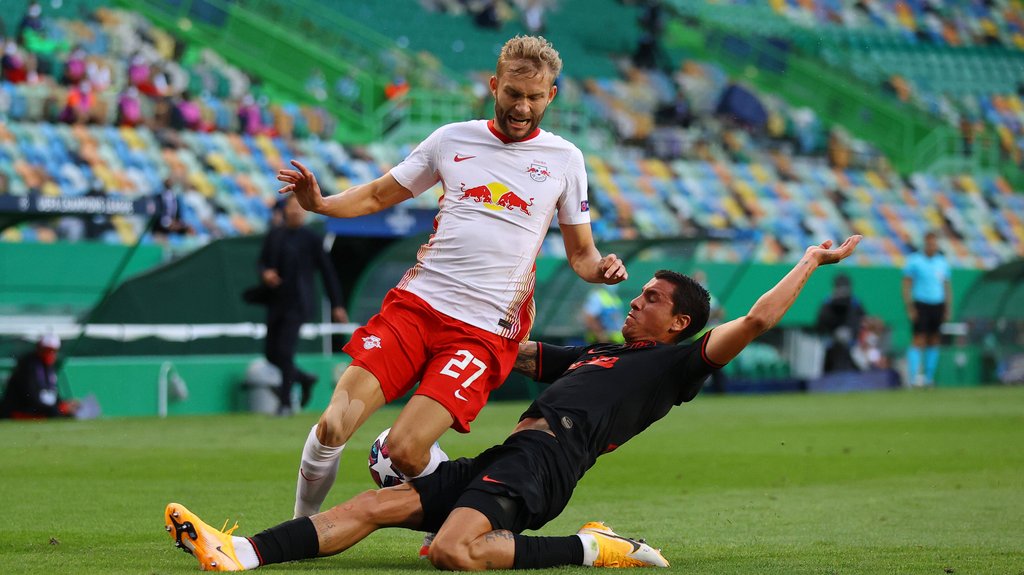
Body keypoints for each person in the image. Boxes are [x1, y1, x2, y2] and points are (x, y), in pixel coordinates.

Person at [164, 235, 862, 572]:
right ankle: (240, 552)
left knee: (450, 551)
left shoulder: (678, 364)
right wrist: (451, 320)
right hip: (511, 453)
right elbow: (515, 351)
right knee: (374, 502)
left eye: (650, 298)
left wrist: (808, 260)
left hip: (544, 468)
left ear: (679, 322)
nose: (635, 300)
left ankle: (591, 547)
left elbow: (758, 320)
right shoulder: (596, 353)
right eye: (639, 291)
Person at [276, 35, 627, 522]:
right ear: (494, 86)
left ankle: (452, 514)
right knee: (334, 423)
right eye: (512, 94)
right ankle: (298, 530)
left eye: (534, 97)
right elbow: (378, 195)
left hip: (484, 328)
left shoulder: (565, 159)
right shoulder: (451, 139)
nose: (522, 107)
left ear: (551, 95)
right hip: (416, 306)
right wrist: (320, 204)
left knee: (404, 451)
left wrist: (601, 269)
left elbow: (582, 254)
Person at [258, 194, 348, 415]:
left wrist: (337, 304)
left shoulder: (312, 239)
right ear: (285, 209)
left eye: (300, 206)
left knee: (285, 351)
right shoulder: (275, 235)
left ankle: (285, 403)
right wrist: (266, 273)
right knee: (271, 353)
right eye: (292, 206)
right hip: (276, 301)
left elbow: (327, 273)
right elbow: (262, 262)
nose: (296, 210)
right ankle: (304, 378)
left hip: (298, 304)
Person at [902, 230, 951, 387]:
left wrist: (947, 307)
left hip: (938, 304)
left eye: (934, 244)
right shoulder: (914, 261)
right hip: (921, 303)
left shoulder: (942, 262)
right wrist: (910, 307)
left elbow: (946, 286)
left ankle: (929, 378)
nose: (932, 246)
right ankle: (914, 378)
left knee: (934, 340)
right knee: (918, 339)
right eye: (929, 243)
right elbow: (906, 285)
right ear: (925, 244)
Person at [0, 335, 78, 419]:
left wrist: (63, 404)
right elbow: (31, 397)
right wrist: (57, 409)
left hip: (41, 410)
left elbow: (52, 393)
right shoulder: (28, 365)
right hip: (20, 412)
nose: (50, 354)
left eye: (53, 351)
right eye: (47, 350)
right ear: (39, 348)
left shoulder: (49, 367)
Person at [815, 273, 866, 373]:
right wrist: (830, 336)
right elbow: (821, 324)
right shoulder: (828, 302)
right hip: (831, 344)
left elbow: (862, 322)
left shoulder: (855, 302)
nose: (843, 292)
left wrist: (854, 336)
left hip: (852, 345)